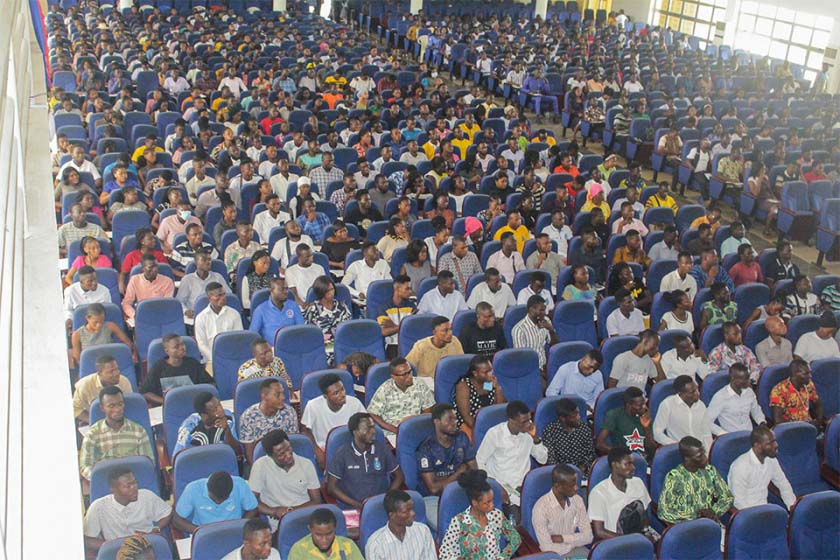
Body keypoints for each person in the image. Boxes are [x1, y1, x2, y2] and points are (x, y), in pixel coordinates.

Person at [476, 400, 548, 509]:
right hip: (502, 486)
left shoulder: (528, 434)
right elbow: (480, 461)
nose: (528, 424)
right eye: (524, 421)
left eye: (529, 419)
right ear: (512, 420)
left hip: (524, 488)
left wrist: (535, 438)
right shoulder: (495, 434)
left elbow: (543, 460)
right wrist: (494, 485)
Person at [83, 467, 172, 555]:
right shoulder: (98, 507)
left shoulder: (147, 496)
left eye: (135, 483)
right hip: (117, 552)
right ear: (113, 489)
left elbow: (168, 513)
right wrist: (114, 546)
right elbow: (88, 540)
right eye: (128, 486)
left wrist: (157, 528)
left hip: (146, 549)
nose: (134, 488)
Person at [416, 403, 477, 528]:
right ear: (437, 422)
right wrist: (459, 473)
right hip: (433, 499)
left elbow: (474, 469)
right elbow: (433, 488)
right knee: (450, 529)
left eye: (455, 418)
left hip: (460, 491)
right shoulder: (426, 448)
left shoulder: (461, 438)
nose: (455, 422)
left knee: (478, 524)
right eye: (450, 419)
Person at [326, 412, 405, 509]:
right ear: (356, 432)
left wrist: (387, 498)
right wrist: (358, 505)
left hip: (380, 505)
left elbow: (399, 476)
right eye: (368, 428)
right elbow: (331, 488)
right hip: (352, 506)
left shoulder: (382, 449)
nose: (373, 432)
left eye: (373, 427)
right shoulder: (342, 453)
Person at [249, 429, 322, 533]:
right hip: (278, 522)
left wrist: (290, 512)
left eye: (289, 448)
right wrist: (274, 511)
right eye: (281, 454)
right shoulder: (260, 466)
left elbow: (316, 501)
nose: (288, 455)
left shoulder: (306, 464)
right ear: (270, 456)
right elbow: (252, 501)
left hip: (304, 516)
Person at [439, 469, 521, 560]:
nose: (492, 505)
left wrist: (502, 557)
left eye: (492, 500)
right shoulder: (459, 521)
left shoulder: (496, 515)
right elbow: (444, 552)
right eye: (487, 503)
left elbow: (515, 539)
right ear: (475, 503)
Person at [79, 386, 154, 479]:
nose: (118, 409)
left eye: (120, 404)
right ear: (102, 408)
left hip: (134, 483)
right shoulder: (93, 434)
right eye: (111, 406)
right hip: (105, 483)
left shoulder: (138, 431)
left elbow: (148, 463)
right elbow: (85, 466)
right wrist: (100, 478)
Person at [657, 436, 734, 525]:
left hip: (710, 523)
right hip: (686, 527)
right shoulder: (674, 477)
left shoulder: (710, 471)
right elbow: (663, 511)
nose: (705, 458)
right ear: (687, 459)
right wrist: (696, 515)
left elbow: (728, 497)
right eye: (699, 456)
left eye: (704, 453)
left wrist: (713, 511)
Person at [301, 373, 366, 468]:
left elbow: (366, 426)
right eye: (336, 393)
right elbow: (305, 430)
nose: (342, 394)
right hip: (325, 449)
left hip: (351, 447)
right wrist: (317, 451)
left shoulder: (355, 403)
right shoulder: (313, 406)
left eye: (342, 389)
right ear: (325, 396)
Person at [588, 447, 653, 541]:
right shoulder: (598, 493)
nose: (633, 468)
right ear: (615, 465)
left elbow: (645, 515)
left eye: (633, 464)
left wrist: (646, 532)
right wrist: (631, 540)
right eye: (628, 464)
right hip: (615, 542)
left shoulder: (638, 483)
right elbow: (599, 532)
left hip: (639, 538)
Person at [728, 426, 796, 511]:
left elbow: (783, 484)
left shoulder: (771, 460)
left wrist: (792, 509)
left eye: (774, 441)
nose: (776, 445)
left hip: (765, 510)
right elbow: (738, 501)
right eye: (770, 443)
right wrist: (755, 518)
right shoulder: (740, 466)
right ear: (757, 446)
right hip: (748, 514)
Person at [531, 464, 593, 557]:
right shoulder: (541, 508)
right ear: (558, 486)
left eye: (576, 484)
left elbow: (589, 537)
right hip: (553, 556)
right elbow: (546, 548)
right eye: (572, 485)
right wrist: (573, 544)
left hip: (576, 550)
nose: (576, 488)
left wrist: (563, 538)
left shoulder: (577, 500)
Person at [368, 358, 436, 437]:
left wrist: (420, 426)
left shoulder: (420, 384)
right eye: (404, 374)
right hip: (393, 433)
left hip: (415, 428)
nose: (409, 376)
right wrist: (395, 429)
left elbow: (428, 409)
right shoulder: (385, 389)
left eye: (409, 372)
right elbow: (373, 413)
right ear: (393, 377)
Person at [140, 333, 215, 406]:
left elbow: (210, 384)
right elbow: (145, 392)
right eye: (176, 347)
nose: (182, 348)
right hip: (166, 407)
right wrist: (165, 402)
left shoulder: (193, 364)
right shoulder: (159, 367)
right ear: (167, 351)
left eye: (182, 344)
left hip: (191, 404)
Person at [173, 471, 258, 533]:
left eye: (223, 499)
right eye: (214, 499)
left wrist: (241, 526)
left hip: (234, 531)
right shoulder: (193, 489)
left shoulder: (240, 484)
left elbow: (252, 509)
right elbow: (176, 520)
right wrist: (200, 532)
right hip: (204, 532)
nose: (218, 503)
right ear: (208, 489)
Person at [364, 490, 438, 560]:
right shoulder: (375, 545)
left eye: (412, 509)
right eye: (406, 511)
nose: (413, 513)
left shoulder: (423, 531)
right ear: (392, 515)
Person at [239, 378, 299, 463]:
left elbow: (293, 444)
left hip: (285, 460)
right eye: (277, 394)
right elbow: (250, 455)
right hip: (260, 462)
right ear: (264, 396)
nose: (283, 397)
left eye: (283, 393)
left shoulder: (289, 412)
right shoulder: (249, 417)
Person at [194, 282, 244, 372]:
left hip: (232, 357)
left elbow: (238, 339)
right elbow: (201, 344)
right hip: (211, 360)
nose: (223, 298)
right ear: (209, 298)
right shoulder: (201, 318)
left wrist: (229, 357)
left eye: (224, 294)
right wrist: (215, 358)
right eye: (219, 295)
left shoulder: (234, 314)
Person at [653, 375, 713, 449]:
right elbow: (657, 433)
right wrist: (677, 446)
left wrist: (708, 455)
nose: (697, 393)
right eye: (692, 392)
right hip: (680, 451)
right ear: (680, 393)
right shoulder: (668, 405)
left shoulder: (701, 405)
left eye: (697, 389)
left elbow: (706, 433)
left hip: (700, 451)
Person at [303, 276, 352, 366]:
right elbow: (308, 332)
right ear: (321, 292)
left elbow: (349, 327)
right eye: (327, 290)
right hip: (321, 345)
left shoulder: (342, 306)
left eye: (332, 289)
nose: (331, 293)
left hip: (341, 342)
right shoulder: (313, 308)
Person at [69, 302, 136, 368]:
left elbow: (127, 342)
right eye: (95, 322)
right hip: (91, 367)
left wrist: (124, 358)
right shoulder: (77, 335)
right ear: (87, 318)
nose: (99, 325)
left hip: (111, 364)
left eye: (101, 322)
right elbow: (78, 359)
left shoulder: (110, 326)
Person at [541, 398, 597, 476]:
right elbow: (551, 460)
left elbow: (590, 453)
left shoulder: (584, 429)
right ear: (563, 419)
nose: (578, 417)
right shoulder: (550, 431)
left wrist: (583, 466)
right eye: (574, 416)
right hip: (562, 475)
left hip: (584, 472)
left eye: (578, 413)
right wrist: (567, 472)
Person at [72, 354, 133, 424]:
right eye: (111, 371)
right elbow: (75, 409)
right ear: (99, 373)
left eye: (117, 369)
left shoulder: (124, 381)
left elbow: (129, 406)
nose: (116, 373)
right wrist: (94, 422)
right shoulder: (84, 386)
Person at [453, 355, 506, 435]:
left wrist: (498, 388)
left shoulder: (487, 384)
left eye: (491, 370)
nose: (490, 374)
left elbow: (499, 408)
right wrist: (482, 431)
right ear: (475, 373)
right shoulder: (464, 386)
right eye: (486, 372)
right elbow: (466, 417)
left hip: (490, 424)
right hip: (470, 426)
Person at [596, 386, 655, 458]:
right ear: (628, 405)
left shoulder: (646, 415)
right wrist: (625, 455)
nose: (644, 407)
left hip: (645, 459)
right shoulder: (615, 415)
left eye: (644, 403)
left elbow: (652, 450)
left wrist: (646, 428)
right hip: (624, 460)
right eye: (640, 405)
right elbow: (600, 444)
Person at [174, 391, 239, 456]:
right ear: (204, 415)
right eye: (215, 409)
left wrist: (227, 431)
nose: (221, 410)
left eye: (219, 404)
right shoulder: (190, 424)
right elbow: (177, 456)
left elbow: (238, 453)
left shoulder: (227, 416)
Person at [707, 363, 766, 435]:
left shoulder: (749, 392)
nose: (748, 381)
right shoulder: (720, 397)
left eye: (748, 378)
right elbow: (707, 422)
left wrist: (762, 422)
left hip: (750, 435)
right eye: (744, 379)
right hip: (731, 438)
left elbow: (756, 410)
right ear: (733, 378)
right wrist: (723, 434)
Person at [287, 507, 364, 560]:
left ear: (335, 528)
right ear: (310, 529)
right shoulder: (299, 550)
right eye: (318, 535)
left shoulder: (348, 546)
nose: (324, 540)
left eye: (329, 534)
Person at [406, 315, 465, 380]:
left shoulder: (454, 342)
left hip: (448, 381)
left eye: (450, 329)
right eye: (445, 330)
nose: (450, 333)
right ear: (434, 332)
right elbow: (408, 367)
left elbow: (461, 366)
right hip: (426, 383)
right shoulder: (421, 346)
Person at [769, 358, 824, 427]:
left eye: (810, 372)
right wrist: (800, 427)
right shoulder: (779, 390)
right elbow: (778, 420)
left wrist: (818, 421)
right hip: (790, 429)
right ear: (795, 374)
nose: (810, 376)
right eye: (806, 374)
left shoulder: (809, 385)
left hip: (808, 425)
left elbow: (818, 404)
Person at [512, 295, 560, 372]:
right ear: (531, 310)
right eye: (541, 310)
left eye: (544, 310)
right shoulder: (519, 329)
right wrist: (540, 372)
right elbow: (521, 359)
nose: (544, 313)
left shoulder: (546, 321)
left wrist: (551, 330)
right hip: (530, 370)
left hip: (545, 366)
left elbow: (555, 345)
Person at [122, 254, 175, 322]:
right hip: (142, 315)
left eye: (156, 266)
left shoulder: (167, 281)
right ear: (143, 268)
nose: (155, 270)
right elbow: (126, 303)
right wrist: (135, 315)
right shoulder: (134, 280)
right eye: (150, 267)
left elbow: (167, 304)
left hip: (161, 316)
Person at [249, 277, 304, 343]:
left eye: (286, 289)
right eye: (282, 289)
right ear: (271, 290)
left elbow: (301, 329)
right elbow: (253, 335)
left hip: (292, 346)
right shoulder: (260, 310)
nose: (286, 292)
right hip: (271, 349)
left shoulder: (293, 305)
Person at [178, 250, 232, 316]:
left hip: (216, 314)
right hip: (194, 315)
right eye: (204, 260)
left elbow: (229, 295)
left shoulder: (218, 277)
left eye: (209, 260)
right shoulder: (187, 279)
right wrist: (185, 311)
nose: (208, 262)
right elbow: (180, 301)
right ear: (196, 262)